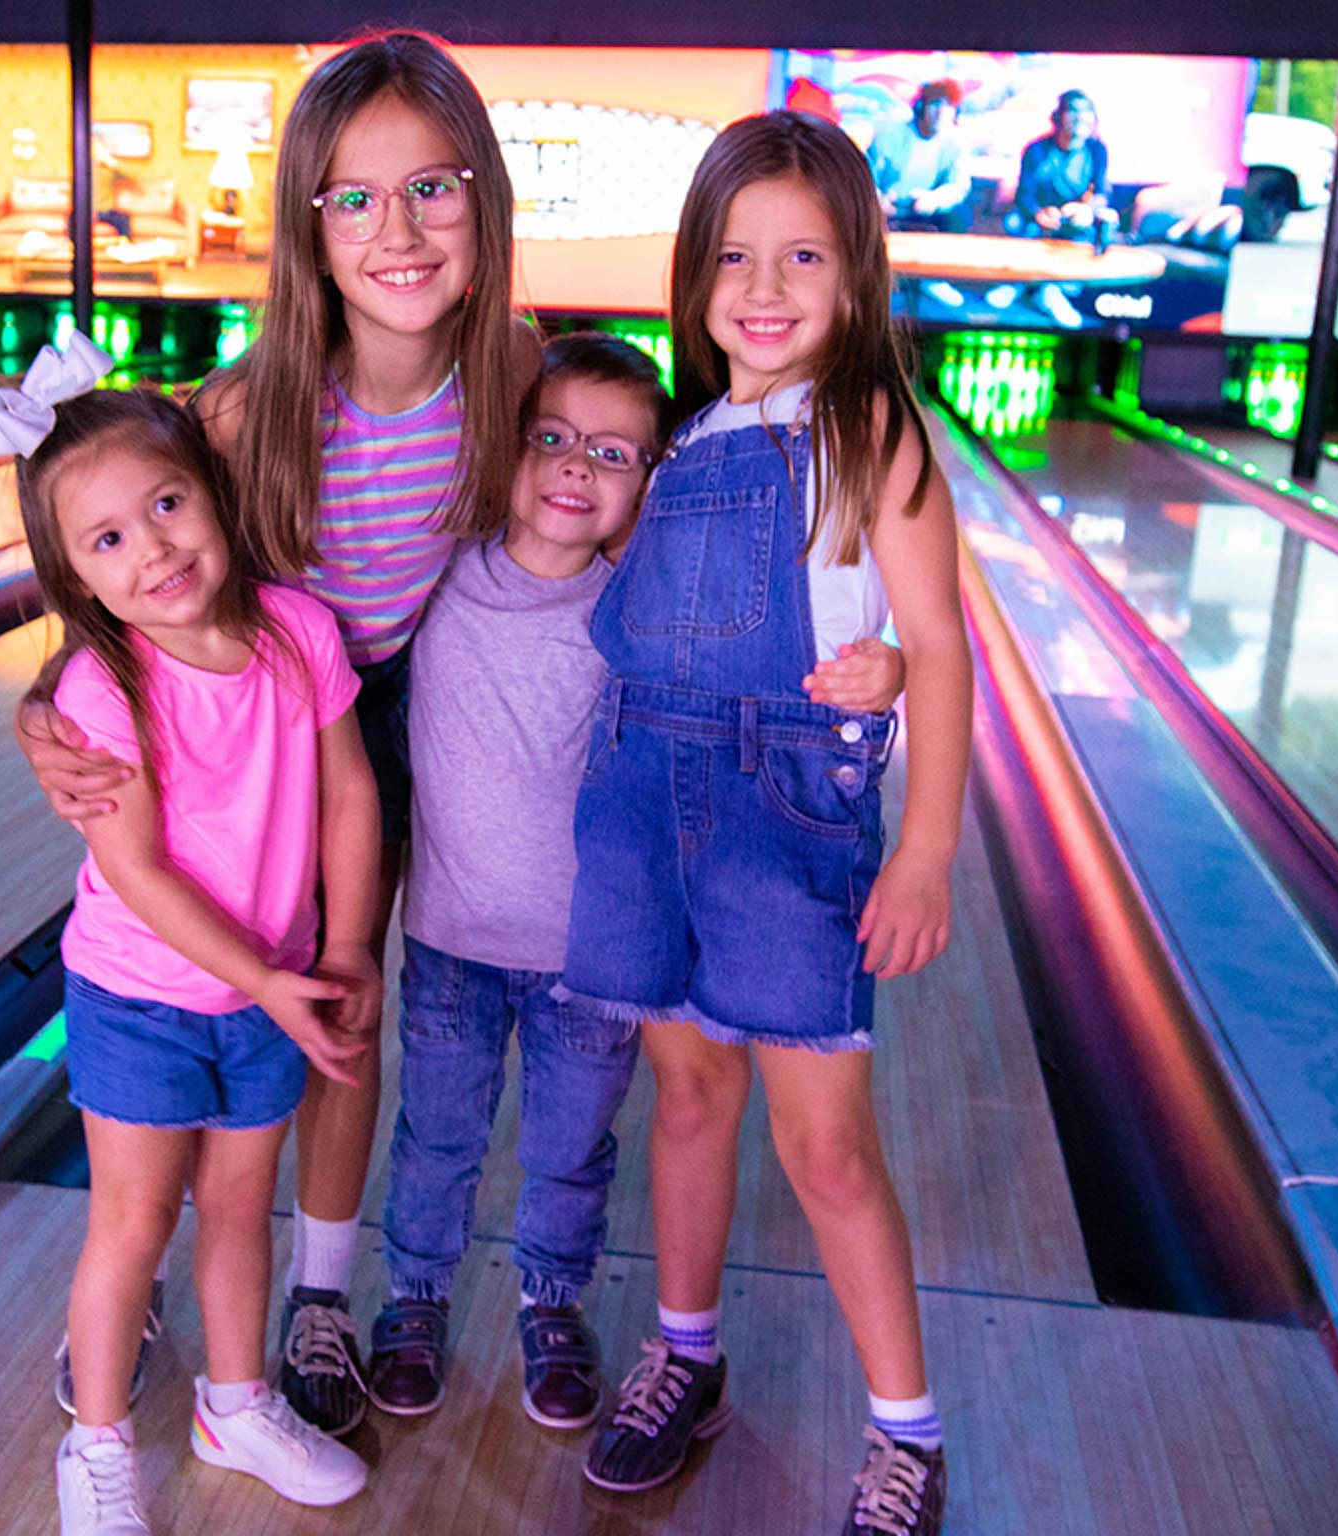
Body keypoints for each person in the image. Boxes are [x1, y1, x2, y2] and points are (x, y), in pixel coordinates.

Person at [15, 30, 533, 1439]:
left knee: (344, 1016)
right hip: (267, 726)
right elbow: (123, 575)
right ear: (309, 225)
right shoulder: (244, 412)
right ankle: (131, 1299)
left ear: (486, 201)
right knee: (224, 1013)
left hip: (414, 719)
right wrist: (37, 707)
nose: (399, 230)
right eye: (355, 198)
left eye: (434, 188)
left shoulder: (520, 381)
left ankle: (315, 1298)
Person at [364, 333, 906, 1431]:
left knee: (569, 1149)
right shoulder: (435, 576)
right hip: (448, 942)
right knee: (435, 1135)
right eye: (550, 440)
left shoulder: (641, 620)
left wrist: (884, 665)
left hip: (590, 954)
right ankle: (414, 1297)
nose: (574, 467)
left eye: (612, 456)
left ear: (652, 491)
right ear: (502, 451)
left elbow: (789, 672)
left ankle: (550, 1304)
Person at [562, 112, 972, 1536]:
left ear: (857, 272)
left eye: (804, 253)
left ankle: (907, 1433)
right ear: (693, 276)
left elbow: (940, 638)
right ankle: (688, 1357)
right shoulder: (678, 443)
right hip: (641, 804)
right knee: (688, 1097)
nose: (766, 284)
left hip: (785, 816)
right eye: (735, 254)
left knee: (826, 1147)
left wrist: (922, 844)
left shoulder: (871, 429)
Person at [0, 339, 381, 1535]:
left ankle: (234, 1402)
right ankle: (98, 1444)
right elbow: (140, 873)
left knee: (238, 1208)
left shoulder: (296, 631)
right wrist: (269, 977)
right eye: (107, 539)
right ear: (73, 576)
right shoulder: (100, 693)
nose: (152, 548)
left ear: (212, 494)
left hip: (272, 987)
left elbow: (351, 793)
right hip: (139, 994)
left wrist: (351, 946)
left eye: (165, 505)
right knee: (132, 1220)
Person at [1006, 89, 1117, 248]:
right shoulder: (1036, 150)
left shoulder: (1097, 150)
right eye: (1073, 111)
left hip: (1075, 215)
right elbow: (1024, 194)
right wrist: (1038, 213)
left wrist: (1087, 210)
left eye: (1087, 111)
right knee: (1014, 224)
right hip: (1041, 215)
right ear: (1058, 117)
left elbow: (1102, 191)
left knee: (1098, 227)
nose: (1080, 118)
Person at [867, 81, 972, 234]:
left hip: (929, 212)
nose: (941, 113)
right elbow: (865, 179)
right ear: (920, 107)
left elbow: (959, 185)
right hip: (887, 210)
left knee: (961, 215)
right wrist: (876, 201)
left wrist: (935, 199)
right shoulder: (889, 135)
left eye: (948, 106)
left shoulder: (957, 141)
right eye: (935, 104)